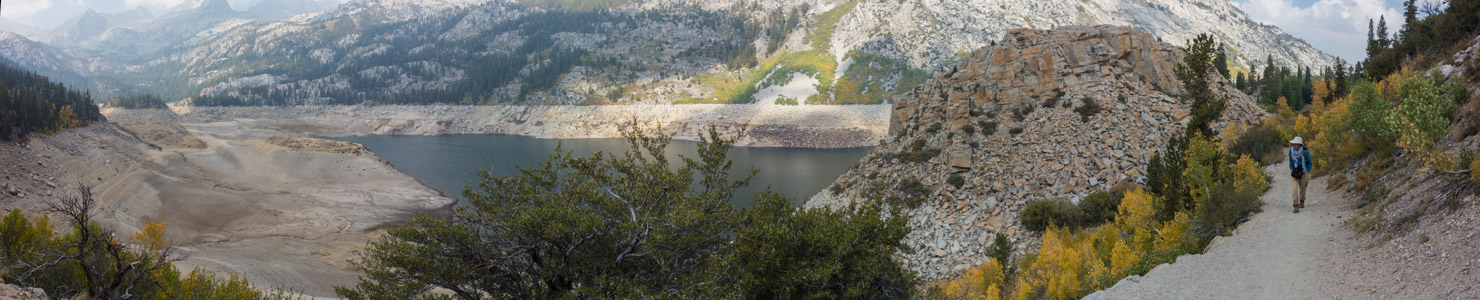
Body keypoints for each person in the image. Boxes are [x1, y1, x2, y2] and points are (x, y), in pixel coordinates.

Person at [1289, 137, 1312, 213]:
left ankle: (1302, 201)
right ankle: (1295, 206)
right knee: (1294, 189)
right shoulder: (1291, 151)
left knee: (1303, 189)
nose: (1294, 144)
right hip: (1295, 172)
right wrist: (1291, 168)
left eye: (1296, 143)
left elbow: (1310, 162)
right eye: (1293, 143)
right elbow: (1290, 160)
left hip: (1303, 172)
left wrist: (1307, 171)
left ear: (1299, 144)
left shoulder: (1305, 152)